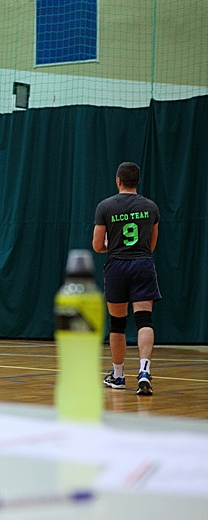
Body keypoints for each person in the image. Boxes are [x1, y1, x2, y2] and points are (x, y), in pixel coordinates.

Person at [92, 162, 160, 396]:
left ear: (118, 180)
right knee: (144, 320)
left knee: (117, 324)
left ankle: (118, 375)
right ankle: (144, 371)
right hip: (142, 264)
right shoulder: (151, 207)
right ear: (137, 181)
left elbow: (97, 245)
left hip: (117, 266)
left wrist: (112, 246)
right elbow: (151, 245)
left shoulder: (105, 206)